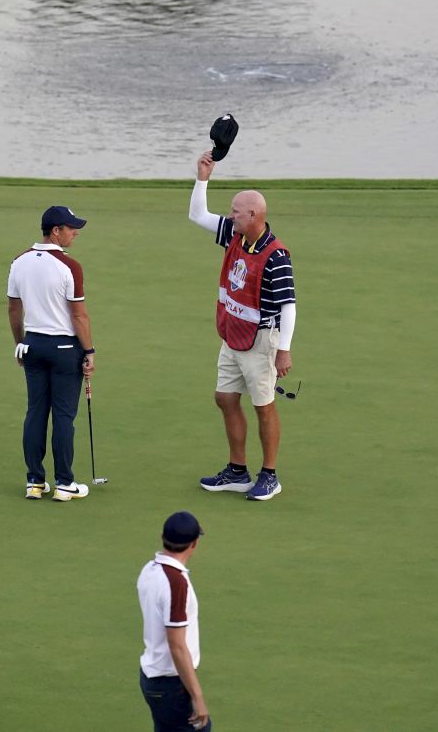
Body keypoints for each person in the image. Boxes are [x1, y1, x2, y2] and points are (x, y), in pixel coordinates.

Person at [189, 152, 297, 501]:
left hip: (262, 341)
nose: (230, 214)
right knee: (224, 397)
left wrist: (284, 349)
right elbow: (197, 215)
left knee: (264, 405)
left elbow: (288, 305)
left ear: (254, 215)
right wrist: (203, 177)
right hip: (233, 336)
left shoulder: (276, 255)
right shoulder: (235, 235)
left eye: (236, 211)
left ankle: (269, 475)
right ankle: (237, 471)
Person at [6, 206, 97, 501]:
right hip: (63, 349)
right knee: (63, 416)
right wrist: (89, 351)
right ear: (55, 231)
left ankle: (34, 481)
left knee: (35, 412)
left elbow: (13, 309)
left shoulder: (19, 261)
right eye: (71, 228)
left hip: (33, 345)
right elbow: (79, 316)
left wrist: (20, 343)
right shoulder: (70, 266)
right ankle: (64, 483)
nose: (76, 232)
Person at [137, 511, 211, 732]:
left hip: (153, 678)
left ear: (162, 537)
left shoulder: (149, 570)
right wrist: (197, 697)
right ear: (194, 544)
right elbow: (177, 645)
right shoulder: (176, 584)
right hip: (171, 684)